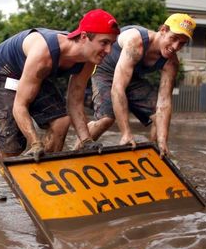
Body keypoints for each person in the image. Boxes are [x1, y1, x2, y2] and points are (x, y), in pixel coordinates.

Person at [0, 9, 120, 201]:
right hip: (6, 71)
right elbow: (20, 105)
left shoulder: (88, 59)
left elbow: (75, 101)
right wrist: (35, 142)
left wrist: (86, 141)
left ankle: (45, 181)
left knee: (61, 121)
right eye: (104, 43)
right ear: (84, 37)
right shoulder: (44, 52)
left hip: (35, 74)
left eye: (112, 44)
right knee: (12, 146)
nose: (109, 51)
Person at [76, 13, 196, 157]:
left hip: (131, 76)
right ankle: (75, 152)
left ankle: (154, 156)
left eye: (182, 43)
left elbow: (164, 102)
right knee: (106, 119)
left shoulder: (171, 63)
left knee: (159, 118)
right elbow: (118, 88)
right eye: (174, 38)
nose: (175, 47)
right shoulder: (136, 42)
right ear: (163, 30)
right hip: (106, 71)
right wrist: (126, 133)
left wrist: (163, 141)